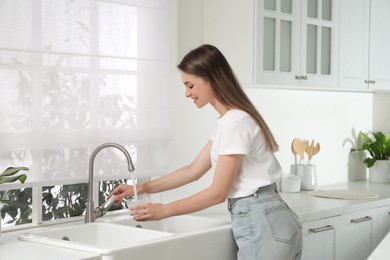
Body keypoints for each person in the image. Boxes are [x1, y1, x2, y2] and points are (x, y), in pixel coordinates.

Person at [109, 44, 303, 260]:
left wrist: (163, 210)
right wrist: (140, 188)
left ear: (210, 78)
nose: (187, 93)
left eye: (190, 85)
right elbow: (193, 170)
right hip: (273, 219)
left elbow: (217, 193)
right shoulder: (229, 121)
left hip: (262, 222)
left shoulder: (234, 123)